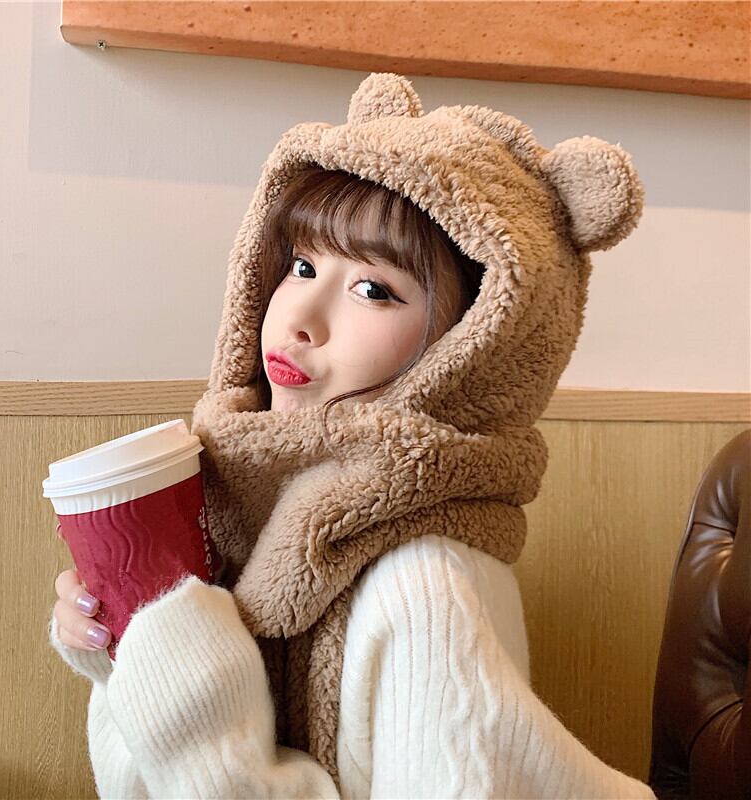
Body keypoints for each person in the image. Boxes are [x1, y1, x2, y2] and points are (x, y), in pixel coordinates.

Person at [49, 72, 656, 798]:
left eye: (374, 290)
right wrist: (129, 655)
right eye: (302, 264)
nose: (300, 316)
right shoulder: (239, 507)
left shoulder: (426, 587)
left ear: (475, 348)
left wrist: (186, 682)